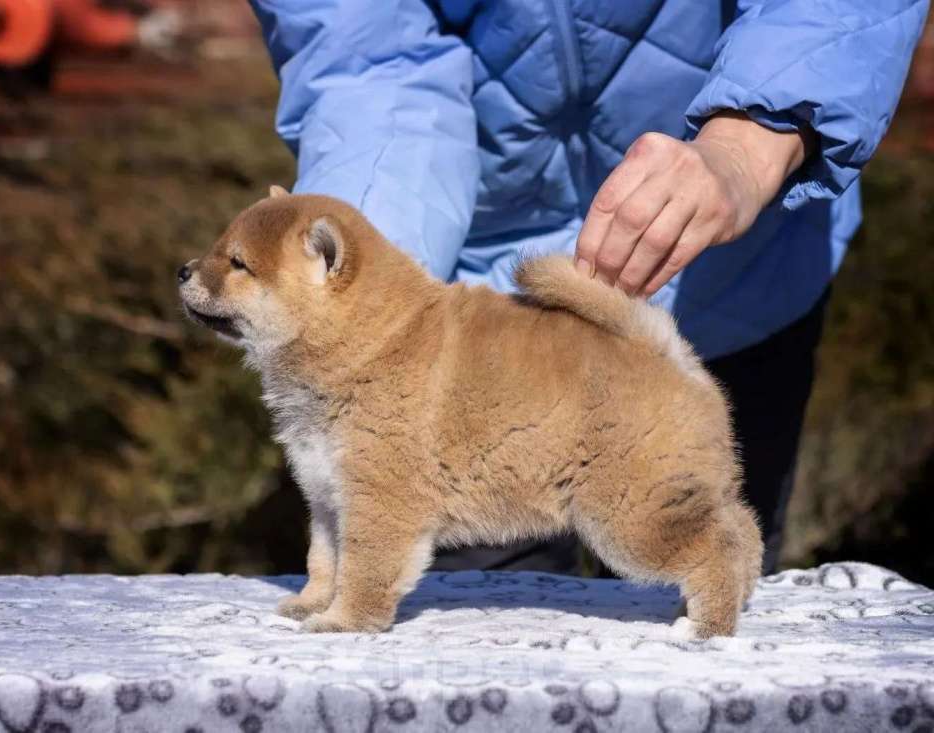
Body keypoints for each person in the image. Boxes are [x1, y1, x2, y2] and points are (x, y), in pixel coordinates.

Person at [248, 1, 929, 575]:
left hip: (731, 272)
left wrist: (749, 143)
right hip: (482, 311)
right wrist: (362, 285)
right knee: (474, 648)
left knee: (695, 600)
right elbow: (370, 61)